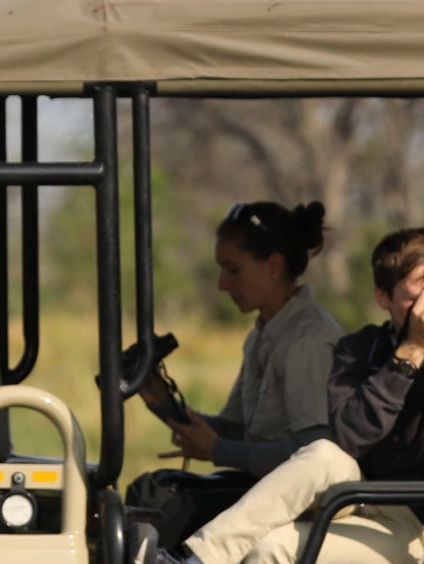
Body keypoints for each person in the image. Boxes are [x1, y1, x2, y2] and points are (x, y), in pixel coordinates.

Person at [129, 226, 424, 564]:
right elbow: (349, 438)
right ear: (384, 298)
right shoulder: (360, 350)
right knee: (325, 454)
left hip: (417, 525)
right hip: (355, 496)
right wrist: (409, 355)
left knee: (270, 552)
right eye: (421, 298)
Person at [138, 199, 347, 473]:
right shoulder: (260, 338)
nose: (222, 284)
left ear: (274, 265)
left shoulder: (308, 339)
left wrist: (217, 450)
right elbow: (236, 431)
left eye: (233, 270)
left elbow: (314, 453)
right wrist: (163, 404)